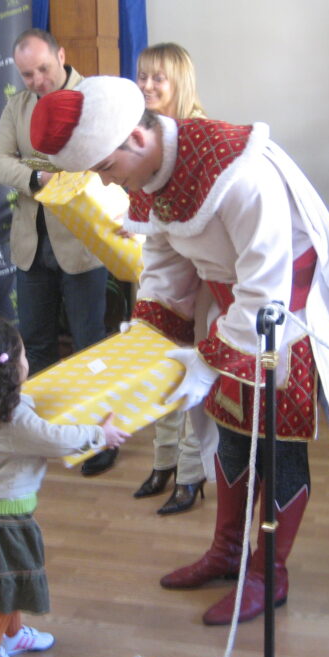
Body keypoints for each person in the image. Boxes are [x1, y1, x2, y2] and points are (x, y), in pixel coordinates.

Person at [28, 76, 329, 626]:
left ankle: (272, 574)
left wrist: (206, 358)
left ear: (134, 137)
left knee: (279, 452)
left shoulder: (238, 173)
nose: (108, 182)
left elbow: (269, 286)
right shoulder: (151, 174)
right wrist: (151, 334)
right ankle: (227, 553)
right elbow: (161, 255)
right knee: (230, 438)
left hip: (284, 325)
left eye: (105, 168)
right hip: (228, 321)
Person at [0, 318, 129, 657]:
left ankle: (12, 638)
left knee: (10, 581)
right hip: (3, 520)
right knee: (3, 592)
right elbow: (57, 439)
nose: (28, 359)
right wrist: (100, 436)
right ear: (13, 369)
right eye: (24, 353)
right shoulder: (13, 418)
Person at [0, 28, 117, 477]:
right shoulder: (16, 105)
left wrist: (37, 168)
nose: (37, 80)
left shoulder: (93, 98)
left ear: (62, 55)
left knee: (88, 347)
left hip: (83, 245)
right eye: (27, 74)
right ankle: (45, 432)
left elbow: (101, 160)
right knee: (36, 346)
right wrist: (39, 179)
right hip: (30, 246)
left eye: (43, 68)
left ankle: (100, 439)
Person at [132, 43, 207, 516]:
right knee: (156, 370)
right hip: (160, 270)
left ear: (180, 80)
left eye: (158, 77)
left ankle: (192, 473)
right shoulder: (144, 133)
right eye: (143, 77)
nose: (148, 86)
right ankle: (162, 463)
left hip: (201, 280)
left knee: (191, 376)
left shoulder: (198, 133)